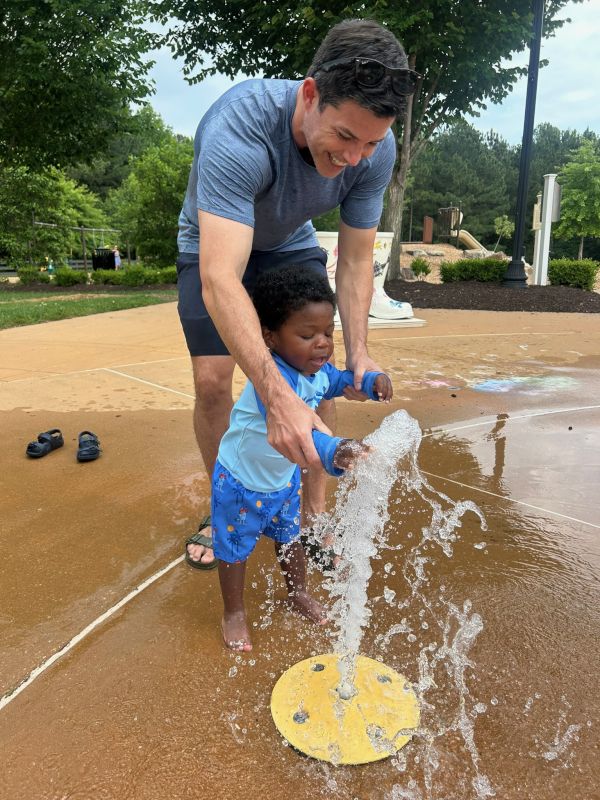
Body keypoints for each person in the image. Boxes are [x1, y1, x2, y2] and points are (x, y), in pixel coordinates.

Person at [176, 18, 419, 569]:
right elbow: (222, 276)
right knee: (213, 381)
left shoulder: (374, 152)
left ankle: (313, 514)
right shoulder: (240, 127)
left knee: (317, 366)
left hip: (289, 242)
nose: (355, 158)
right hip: (212, 244)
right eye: (345, 137)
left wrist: (358, 355)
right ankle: (225, 510)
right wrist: (277, 399)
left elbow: (356, 260)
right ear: (310, 95)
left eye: (372, 142)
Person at [215, 266, 392, 650]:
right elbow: (306, 437)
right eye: (307, 335)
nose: (322, 344)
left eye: (328, 333)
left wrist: (368, 382)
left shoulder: (315, 371)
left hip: (282, 480)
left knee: (290, 539)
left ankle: (297, 592)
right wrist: (338, 451)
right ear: (270, 338)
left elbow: (339, 381)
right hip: (241, 482)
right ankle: (234, 612)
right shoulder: (272, 384)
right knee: (234, 550)